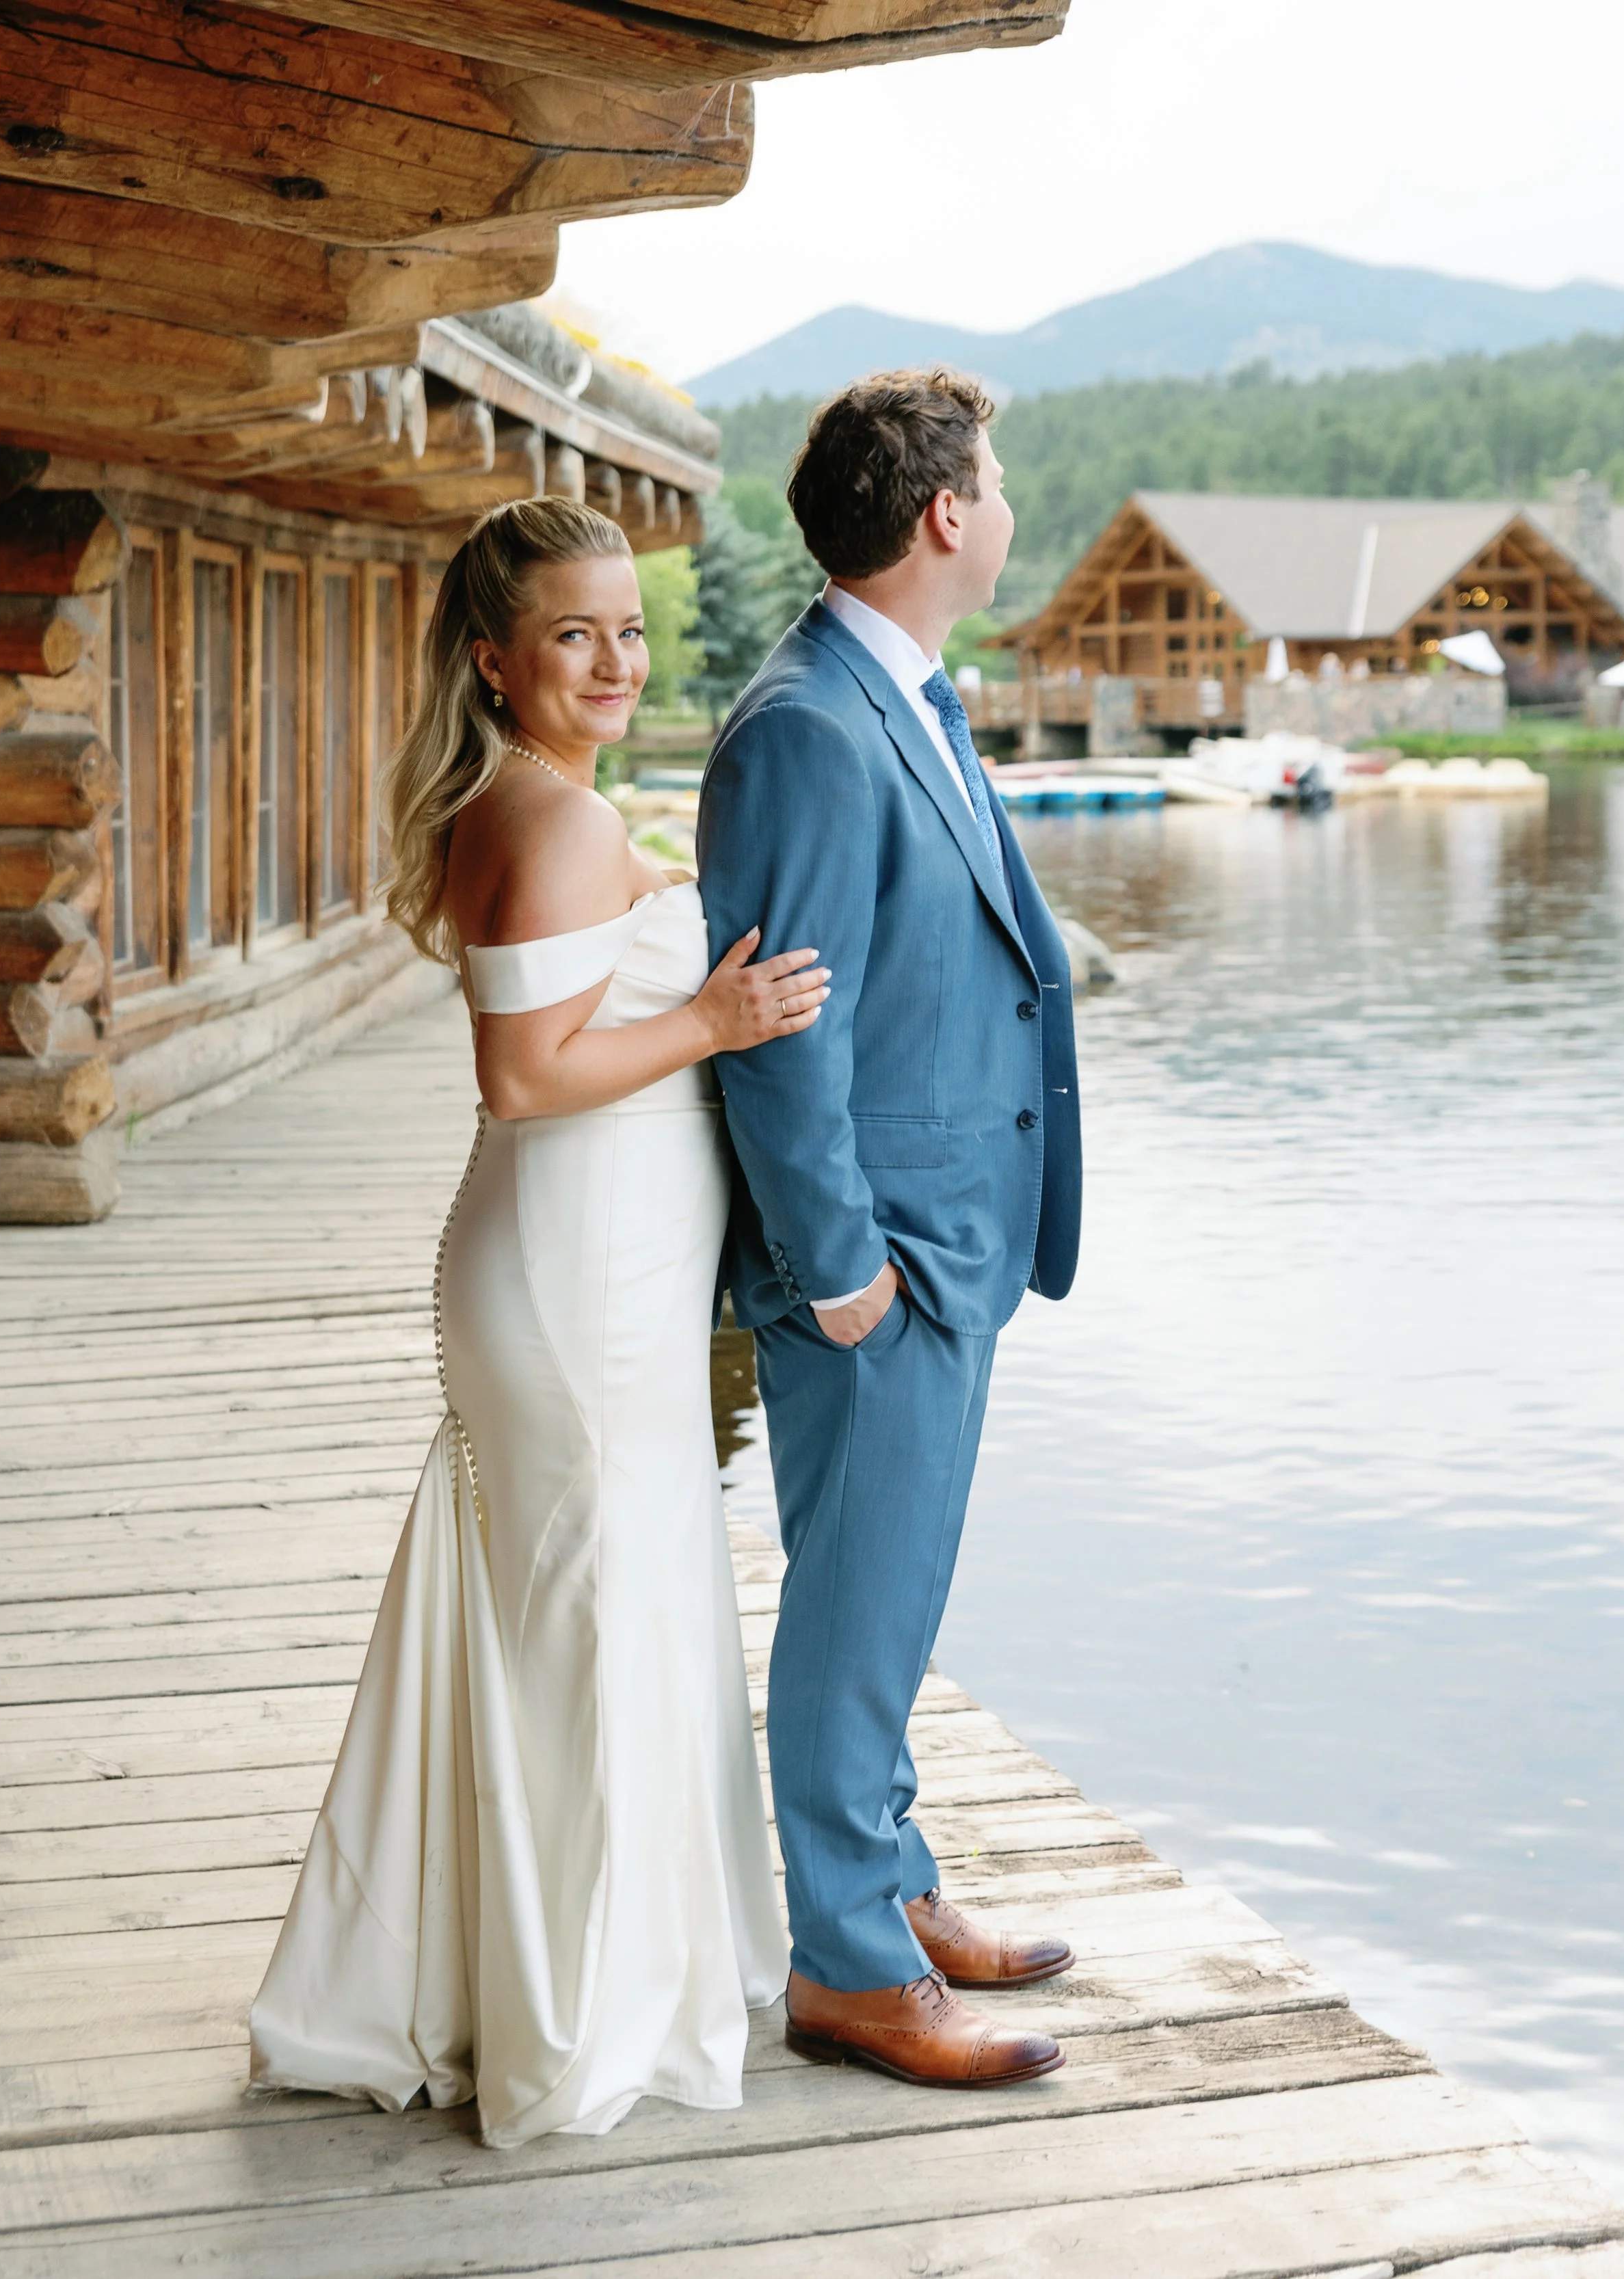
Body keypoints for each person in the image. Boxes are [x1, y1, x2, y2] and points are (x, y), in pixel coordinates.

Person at [249, 498, 818, 2146]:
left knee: (584, 1611)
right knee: (595, 1617)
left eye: (629, 630)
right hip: (581, 1280)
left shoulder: (534, 799)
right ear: (496, 659)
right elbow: (524, 1076)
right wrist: (712, 1014)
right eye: (575, 635)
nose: (616, 660)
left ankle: (521, 1964)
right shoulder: (547, 817)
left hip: (588, 1265)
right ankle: (575, 2001)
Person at [697, 369, 1084, 2089]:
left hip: (950, 1239)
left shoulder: (900, 692)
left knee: (892, 1595)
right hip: (881, 1260)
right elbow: (787, 1027)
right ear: (941, 513)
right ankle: (849, 1963)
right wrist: (838, 1265)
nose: (1004, 507)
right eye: (992, 483)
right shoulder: (803, 723)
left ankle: (893, 1879)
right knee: (855, 1609)